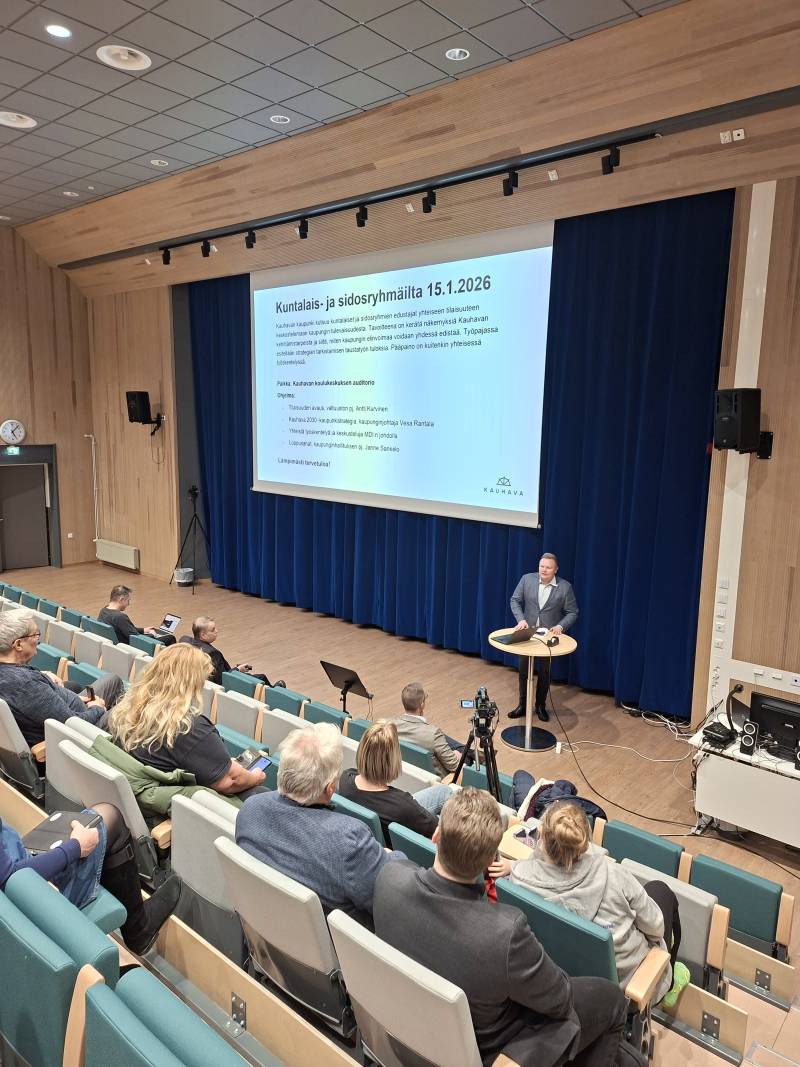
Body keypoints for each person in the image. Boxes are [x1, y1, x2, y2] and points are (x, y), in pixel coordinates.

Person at [373, 788, 632, 1067]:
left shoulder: (389, 878)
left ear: (436, 836)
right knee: (612, 998)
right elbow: (560, 1000)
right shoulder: (504, 932)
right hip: (490, 1049)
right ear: (489, 862)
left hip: (411, 1035)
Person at [504, 802, 689, 1009]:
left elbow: (532, 867)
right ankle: (670, 978)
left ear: (542, 838)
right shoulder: (614, 875)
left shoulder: (519, 880)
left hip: (564, 982)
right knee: (660, 890)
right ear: (584, 841)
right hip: (627, 992)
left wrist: (515, 864)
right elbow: (656, 929)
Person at [236, 722, 405, 928]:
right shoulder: (348, 840)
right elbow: (394, 897)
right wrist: (393, 857)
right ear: (330, 788)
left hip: (265, 929)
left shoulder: (250, 810)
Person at [1, 801, 181, 954]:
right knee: (110, 817)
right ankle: (139, 928)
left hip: (21, 868)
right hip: (32, 901)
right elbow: (13, 878)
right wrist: (75, 848)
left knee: (95, 818)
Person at [108, 643, 265, 798]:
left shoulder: (127, 709)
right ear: (191, 683)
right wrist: (256, 776)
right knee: (260, 793)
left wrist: (220, 763)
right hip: (180, 802)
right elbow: (230, 781)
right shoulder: (187, 726)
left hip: (143, 793)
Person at [0, 608, 124, 747]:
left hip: (71, 711)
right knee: (130, 712)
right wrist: (97, 708)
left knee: (113, 680)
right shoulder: (26, 684)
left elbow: (41, 705)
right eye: (35, 635)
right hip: (82, 732)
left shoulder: (11, 673)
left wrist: (45, 677)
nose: (37, 640)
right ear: (18, 644)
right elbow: (71, 724)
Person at [338, 720, 455, 845]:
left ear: (363, 751)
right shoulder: (403, 804)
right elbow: (440, 832)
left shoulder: (346, 778)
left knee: (444, 791)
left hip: (386, 823)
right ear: (392, 760)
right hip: (403, 824)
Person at [509, 553, 579, 722]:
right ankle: (522, 705)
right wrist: (521, 620)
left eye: (548, 567)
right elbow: (515, 600)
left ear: (556, 569)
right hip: (527, 634)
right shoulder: (526, 579)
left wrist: (560, 626)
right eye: (542, 566)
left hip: (548, 637)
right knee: (524, 670)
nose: (544, 570)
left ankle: (540, 706)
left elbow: (573, 612)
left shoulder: (565, 587)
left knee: (544, 672)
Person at [180, 616, 284, 688]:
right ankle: (275, 693)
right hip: (225, 685)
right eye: (213, 630)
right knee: (261, 678)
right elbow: (221, 680)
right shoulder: (212, 653)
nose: (217, 631)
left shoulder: (184, 641)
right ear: (203, 635)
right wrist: (238, 670)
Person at [392, 681, 468, 777]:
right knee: (465, 753)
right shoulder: (433, 733)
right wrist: (457, 756)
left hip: (409, 772)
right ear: (422, 705)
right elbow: (455, 766)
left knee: (449, 741)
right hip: (440, 779)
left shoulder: (391, 727)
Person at [98, 585, 176, 646]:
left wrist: (143, 630)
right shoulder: (120, 617)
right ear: (121, 600)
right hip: (130, 647)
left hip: (116, 645)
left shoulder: (103, 611)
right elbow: (138, 640)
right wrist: (152, 635)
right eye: (128, 600)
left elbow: (127, 629)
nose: (129, 604)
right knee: (170, 638)